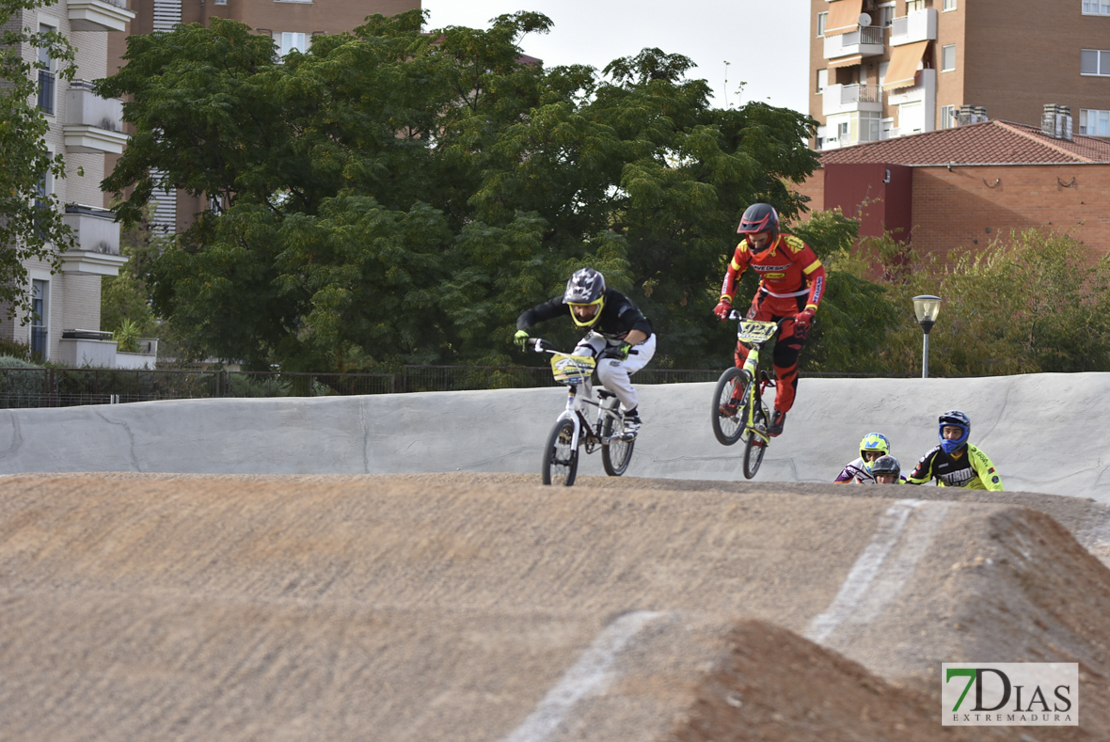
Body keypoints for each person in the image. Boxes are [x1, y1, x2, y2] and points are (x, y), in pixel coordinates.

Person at [714, 203, 826, 437]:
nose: (755, 243)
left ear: (773, 232)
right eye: (751, 237)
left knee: (784, 361)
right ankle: (736, 399)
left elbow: (817, 275)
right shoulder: (744, 248)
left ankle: (780, 411)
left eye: (760, 237)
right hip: (766, 299)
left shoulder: (793, 246)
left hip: (796, 304)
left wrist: (810, 309)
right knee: (743, 349)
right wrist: (724, 300)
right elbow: (732, 273)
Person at [514, 267, 656, 438]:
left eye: (588, 307)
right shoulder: (570, 301)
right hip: (603, 336)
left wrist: (625, 346)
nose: (582, 313)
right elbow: (534, 313)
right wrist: (522, 330)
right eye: (577, 307)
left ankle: (631, 413)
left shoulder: (616, 303)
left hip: (637, 340)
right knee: (575, 364)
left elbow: (643, 327)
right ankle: (580, 420)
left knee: (607, 369)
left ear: (601, 299)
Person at [906, 410, 1004, 490]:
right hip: (947, 507)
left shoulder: (976, 456)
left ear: (965, 434)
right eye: (947, 431)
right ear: (941, 432)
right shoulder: (933, 456)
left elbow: (996, 488)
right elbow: (909, 485)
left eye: (956, 432)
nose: (950, 436)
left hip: (976, 505)